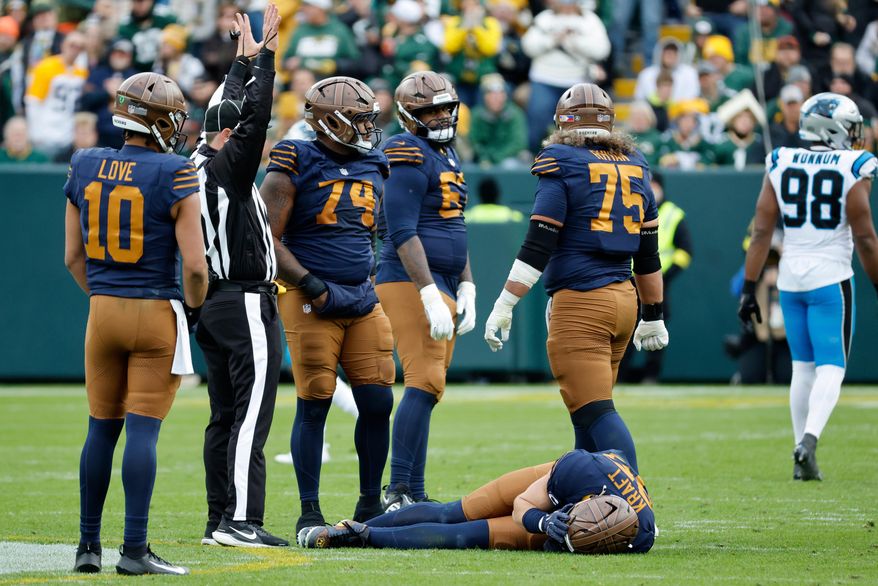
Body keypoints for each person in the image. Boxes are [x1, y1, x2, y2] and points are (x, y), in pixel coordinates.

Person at [64, 72, 208, 575]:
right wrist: (192, 309)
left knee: (100, 429)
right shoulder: (175, 170)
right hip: (155, 311)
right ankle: (135, 550)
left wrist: (107, 298)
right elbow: (195, 266)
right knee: (142, 432)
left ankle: (87, 547)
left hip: (102, 311)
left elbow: (72, 258)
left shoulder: (83, 163)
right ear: (160, 121)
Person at [483, 84, 668, 475]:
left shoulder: (561, 160)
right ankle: (586, 497)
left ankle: (635, 503)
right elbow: (648, 255)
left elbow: (539, 242)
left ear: (563, 122)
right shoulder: (635, 162)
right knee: (585, 418)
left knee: (596, 412)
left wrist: (505, 303)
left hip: (583, 302)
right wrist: (653, 314)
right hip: (624, 300)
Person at [260, 75, 396, 533]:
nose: (366, 128)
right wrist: (309, 282)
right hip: (309, 294)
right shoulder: (294, 157)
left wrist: (370, 272)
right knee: (314, 401)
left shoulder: (375, 163)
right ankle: (309, 509)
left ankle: (369, 505)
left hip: (360, 294)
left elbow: (372, 228)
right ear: (330, 121)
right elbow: (267, 236)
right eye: (358, 119)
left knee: (378, 402)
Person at [738, 92, 878, 481]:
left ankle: (802, 452)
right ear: (834, 129)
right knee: (832, 365)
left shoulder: (782, 159)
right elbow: (865, 237)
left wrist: (749, 287)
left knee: (803, 367)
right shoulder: (855, 164)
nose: (855, 135)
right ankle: (810, 440)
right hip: (830, 276)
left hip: (790, 279)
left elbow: (762, 229)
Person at [192, 6, 288, 549]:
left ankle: (217, 518)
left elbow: (227, 116)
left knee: (224, 416)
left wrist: (240, 64)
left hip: (213, 304)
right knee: (250, 414)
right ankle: (240, 521)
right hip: (244, 300)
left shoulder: (200, 159)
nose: (261, 139)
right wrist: (267, 61)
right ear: (228, 135)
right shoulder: (229, 166)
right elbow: (249, 122)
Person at [375, 71, 476, 510]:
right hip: (409, 279)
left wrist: (467, 282)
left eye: (443, 108)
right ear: (407, 115)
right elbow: (400, 229)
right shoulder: (406, 150)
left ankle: (414, 491)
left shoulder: (446, 152)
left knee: (432, 385)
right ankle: (398, 490)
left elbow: (453, 225)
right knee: (424, 378)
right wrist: (429, 291)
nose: (439, 116)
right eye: (428, 110)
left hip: (445, 279)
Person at [298, 448, 655, 555]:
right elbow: (523, 505)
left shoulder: (638, 536)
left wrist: (565, 538)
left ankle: (360, 535)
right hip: (541, 485)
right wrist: (546, 522)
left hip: (572, 505)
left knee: (464, 537)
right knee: (450, 514)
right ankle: (345, 527)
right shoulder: (578, 470)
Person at [25, 31, 88, 158]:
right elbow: (33, 101)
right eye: (72, 45)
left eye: (80, 47)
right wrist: (35, 133)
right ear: (63, 45)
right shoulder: (46, 67)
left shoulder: (81, 72)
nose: (76, 50)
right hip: (45, 132)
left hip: (69, 135)